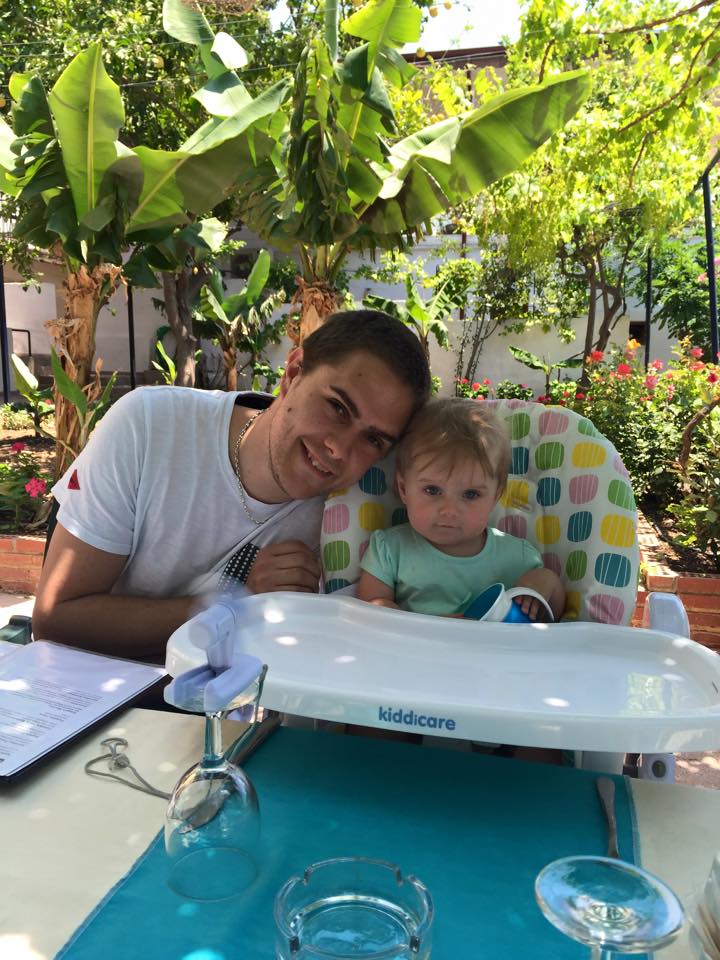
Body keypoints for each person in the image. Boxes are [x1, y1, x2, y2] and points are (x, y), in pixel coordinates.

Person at [32, 310, 431, 661]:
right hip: (101, 700)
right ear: (292, 374)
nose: (340, 450)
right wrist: (236, 607)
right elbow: (56, 619)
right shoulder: (150, 426)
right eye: (337, 407)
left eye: (374, 440)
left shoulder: (360, 510)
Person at [356, 397, 566, 621]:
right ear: (404, 489)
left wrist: (546, 584)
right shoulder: (389, 550)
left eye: (471, 494)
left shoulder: (519, 558)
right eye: (433, 490)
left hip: (495, 655)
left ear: (496, 495)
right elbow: (369, 617)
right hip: (415, 653)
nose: (449, 510)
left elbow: (554, 620)